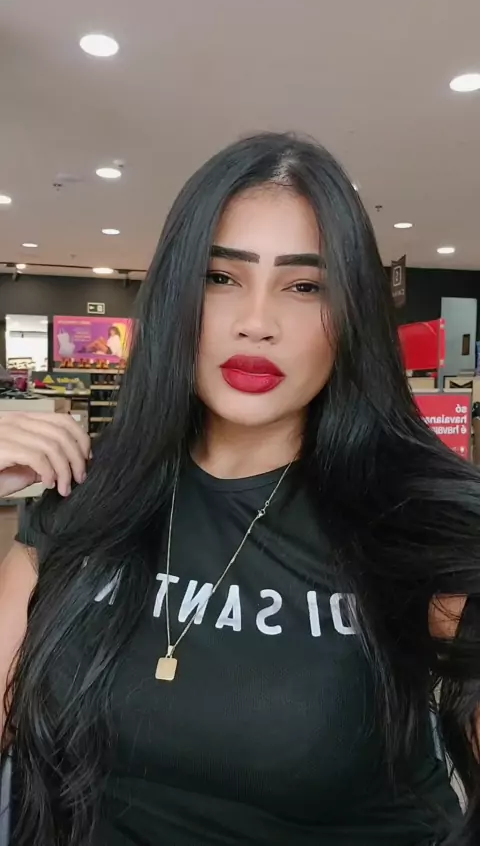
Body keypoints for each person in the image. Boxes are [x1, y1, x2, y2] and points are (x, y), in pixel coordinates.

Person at [0, 132, 479, 846]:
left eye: (305, 286)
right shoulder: (87, 495)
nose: (257, 323)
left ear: (352, 315)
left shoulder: (420, 519)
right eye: (220, 278)